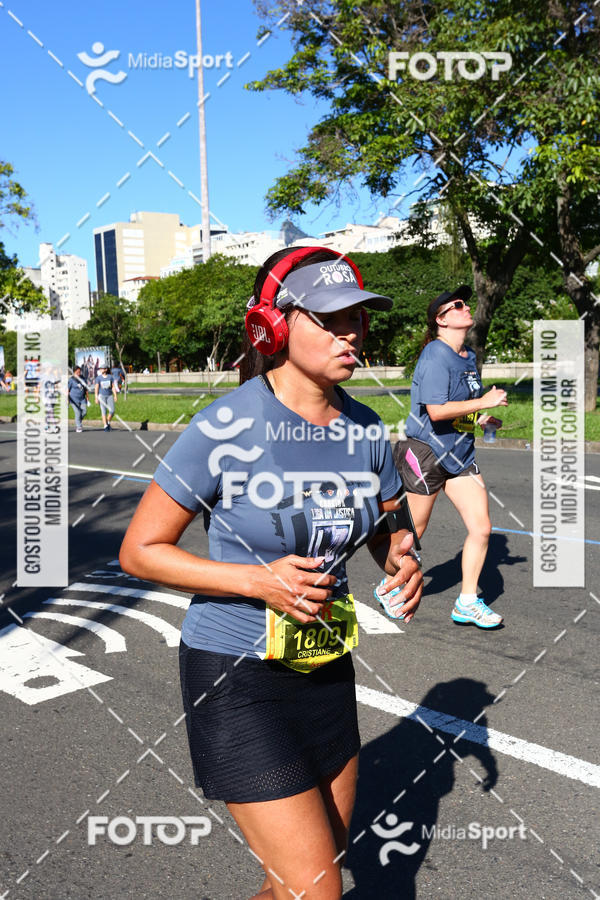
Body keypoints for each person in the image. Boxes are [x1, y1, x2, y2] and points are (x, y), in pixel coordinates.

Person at [119, 246, 423, 900]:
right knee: (318, 887)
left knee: (303, 878)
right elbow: (140, 550)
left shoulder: (368, 430)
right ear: (275, 326)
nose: (351, 335)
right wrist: (259, 581)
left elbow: (384, 519)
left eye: (359, 320)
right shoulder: (226, 426)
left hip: (325, 669)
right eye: (331, 319)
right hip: (236, 673)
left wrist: (401, 556)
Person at [394, 284, 507, 629]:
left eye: (465, 303)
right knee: (413, 533)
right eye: (457, 306)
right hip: (426, 453)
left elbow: (457, 410)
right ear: (441, 321)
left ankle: (467, 600)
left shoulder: (468, 356)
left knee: (482, 527)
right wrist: (482, 402)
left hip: (460, 455)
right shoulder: (434, 355)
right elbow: (436, 410)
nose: (466, 307)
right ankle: (392, 586)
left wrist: (482, 419)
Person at [94, 365, 118, 431]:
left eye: (103, 368)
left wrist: (115, 395)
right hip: (102, 396)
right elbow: (96, 388)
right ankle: (105, 426)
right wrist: (96, 398)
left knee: (112, 411)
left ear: (106, 369)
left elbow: (113, 387)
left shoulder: (110, 377)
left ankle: (108, 421)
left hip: (110, 395)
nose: (102, 370)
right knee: (103, 411)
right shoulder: (98, 378)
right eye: (101, 369)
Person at [68, 365, 88, 432]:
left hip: (82, 398)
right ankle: (79, 427)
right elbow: (67, 390)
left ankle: (78, 421)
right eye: (77, 372)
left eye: (80, 371)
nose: (79, 373)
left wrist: (87, 397)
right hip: (73, 399)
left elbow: (86, 389)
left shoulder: (83, 378)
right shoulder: (71, 380)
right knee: (78, 412)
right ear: (74, 372)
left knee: (84, 411)